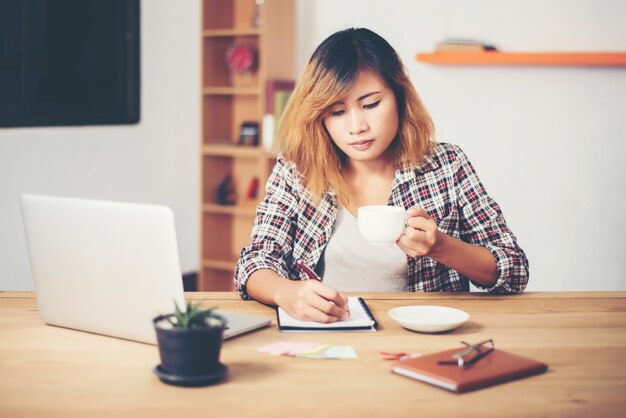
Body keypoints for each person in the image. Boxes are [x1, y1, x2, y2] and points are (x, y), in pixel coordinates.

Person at [234, 28, 528, 323]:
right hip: (327, 337)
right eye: (336, 112)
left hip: (422, 345)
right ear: (319, 116)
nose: (356, 126)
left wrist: (440, 246)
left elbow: (514, 269)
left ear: (399, 97)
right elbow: (256, 261)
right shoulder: (297, 169)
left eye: (371, 104)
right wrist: (286, 292)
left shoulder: (446, 165)